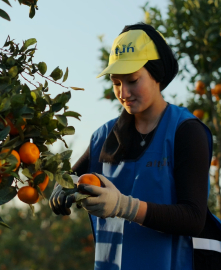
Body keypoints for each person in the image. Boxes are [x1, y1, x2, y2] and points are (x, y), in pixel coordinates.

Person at [49, 23, 221, 270]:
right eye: (116, 82)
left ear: (157, 73)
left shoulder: (185, 131)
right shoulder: (103, 138)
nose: (124, 93)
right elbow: (72, 179)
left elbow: (194, 217)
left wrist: (124, 207)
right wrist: (62, 188)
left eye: (132, 80)